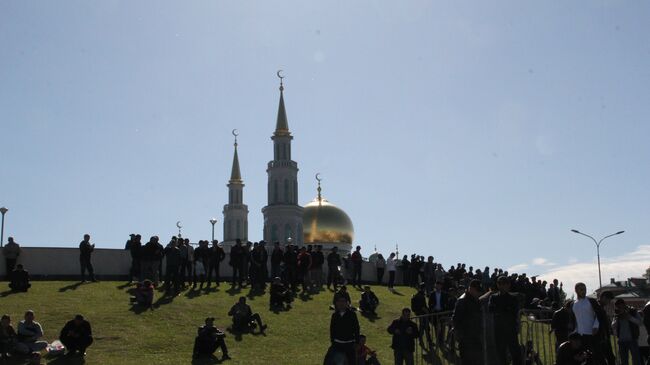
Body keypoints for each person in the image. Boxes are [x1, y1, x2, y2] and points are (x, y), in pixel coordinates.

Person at [488, 276, 522, 365]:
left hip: (511, 329)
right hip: (499, 330)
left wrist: (500, 310)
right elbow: (491, 309)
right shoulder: (493, 297)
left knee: (515, 353)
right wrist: (505, 309)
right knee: (500, 354)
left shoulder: (513, 298)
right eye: (499, 283)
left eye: (504, 284)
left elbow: (514, 311)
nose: (501, 286)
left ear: (508, 285)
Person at [569, 282, 606, 364]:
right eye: (581, 289)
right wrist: (574, 331)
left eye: (585, 289)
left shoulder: (591, 301)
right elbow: (573, 319)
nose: (584, 291)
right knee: (584, 358)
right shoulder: (573, 304)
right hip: (579, 336)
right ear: (576, 290)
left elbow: (599, 314)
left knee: (597, 357)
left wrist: (596, 326)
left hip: (592, 334)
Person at [452, 279, 483, 365]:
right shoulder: (462, 300)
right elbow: (455, 319)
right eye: (477, 290)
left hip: (475, 336)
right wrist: (460, 335)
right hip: (466, 338)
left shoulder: (475, 300)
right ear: (471, 289)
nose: (479, 293)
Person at [328, 295, 360, 365]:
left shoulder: (352, 314)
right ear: (336, 303)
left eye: (343, 301)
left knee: (351, 362)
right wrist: (332, 340)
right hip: (337, 344)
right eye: (339, 301)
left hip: (350, 344)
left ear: (347, 303)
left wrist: (357, 342)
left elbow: (356, 328)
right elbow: (332, 329)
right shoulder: (335, 315)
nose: (341, 303)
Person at [612, 298, 642, 365]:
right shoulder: (617, 314)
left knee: (636, 360)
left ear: (624, 305)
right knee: (624, 361)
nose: (620, 308)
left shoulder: (633, 311)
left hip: (632, 339)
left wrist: (629, 317)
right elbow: (612, 326)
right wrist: (617, 320)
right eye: (618, 307)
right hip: (622, 341)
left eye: (621, 306)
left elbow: (640, 323)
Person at [411, 283, 432, 349]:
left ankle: (425, 341)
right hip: (422, 314)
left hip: (420, 314)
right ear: (423, 288)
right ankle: (424, 341)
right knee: (424, 328)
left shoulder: (417, 295)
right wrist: (428, 313)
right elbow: (422, 306)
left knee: (424, 328)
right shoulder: (420, 296)